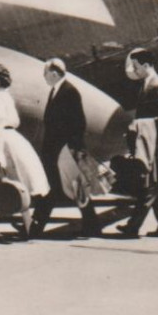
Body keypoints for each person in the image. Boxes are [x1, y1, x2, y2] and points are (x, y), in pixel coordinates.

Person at [0, 63, 50, 241]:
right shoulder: (6, 96)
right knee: (18, 182)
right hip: (11, 139)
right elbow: (14, 121)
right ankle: (28, 223)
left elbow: (0, 123)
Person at [117, 47, 158, 238]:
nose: (134, 70)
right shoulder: (148, 83)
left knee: (150, 187)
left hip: (157, 145)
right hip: (151, 142)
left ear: (145, 65)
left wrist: (139, 125)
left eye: (136, 66)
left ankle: (133, 226)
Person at [32, 57, 95, 237]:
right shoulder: (56, 91)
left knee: (76, 188)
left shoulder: (69, 92)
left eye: (45, 73)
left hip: (64, 151)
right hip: (55, 151)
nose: (43, 76)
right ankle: (36, 227)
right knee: (54, 189)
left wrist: (69, 150)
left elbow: (79, 124)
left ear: (53, 73)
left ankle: (92, 226)